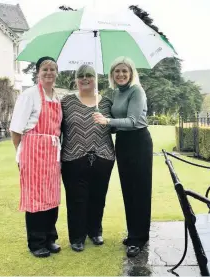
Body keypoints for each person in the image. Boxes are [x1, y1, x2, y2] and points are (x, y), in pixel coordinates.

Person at [93, 56, 153, 258]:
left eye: (124, 71)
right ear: (112, 75)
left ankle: (139, 238)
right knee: (128, 190)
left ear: (131, 73)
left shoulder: (137, 90)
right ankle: (134, 233)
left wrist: (107, 120)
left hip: (138, 142)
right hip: (124, 143)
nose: (120, 74)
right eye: (116, 71)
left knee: (140, 190)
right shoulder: (116, 92)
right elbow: (116, 124)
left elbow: (134, 121)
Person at [10, 56, 62, 258]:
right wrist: (20, 156)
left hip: (51, 154)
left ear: (57, 72)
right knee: (35, 199)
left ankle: (50, 238)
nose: (49, 72)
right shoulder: (30, 95)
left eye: (53, 69)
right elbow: (16, 130)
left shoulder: (56, 97)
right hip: (33, 152)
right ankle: (36, 242)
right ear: (38, 72)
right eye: (45, 69)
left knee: (51, 197)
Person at [61, 65, 115, 252]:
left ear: (96, 78)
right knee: (76, 199)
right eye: (81, 76)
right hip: (73, 157)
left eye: (89, 75)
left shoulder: (106, 103)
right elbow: (56, 127)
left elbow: (115, 126)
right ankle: (77, 236)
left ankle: (95, 231)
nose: (85, 79)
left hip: (103, 156)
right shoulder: (66, 102)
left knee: (98, 197)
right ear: (76, 80)